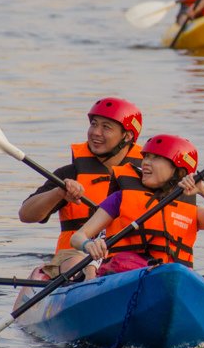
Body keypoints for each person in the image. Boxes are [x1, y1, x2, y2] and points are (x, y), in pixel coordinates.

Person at [70, 134, 204, 278]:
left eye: (156, 158)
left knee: (177, 273)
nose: (145, 163)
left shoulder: (190, 211)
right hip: (123, 275)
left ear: (179, 171)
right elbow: (78, 237)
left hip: (169, 277)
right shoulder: (121, 198)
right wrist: (88, 245)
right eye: (146, 157)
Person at [18, 98, 144, 279]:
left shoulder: (146, 178)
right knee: (79, 263)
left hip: (125, 259)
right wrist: (59, 192)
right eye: (94, 125)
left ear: (127, 136)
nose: (96, 133)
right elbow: (26, 215)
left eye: (106, 127)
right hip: (74, 257)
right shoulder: (70, 174)